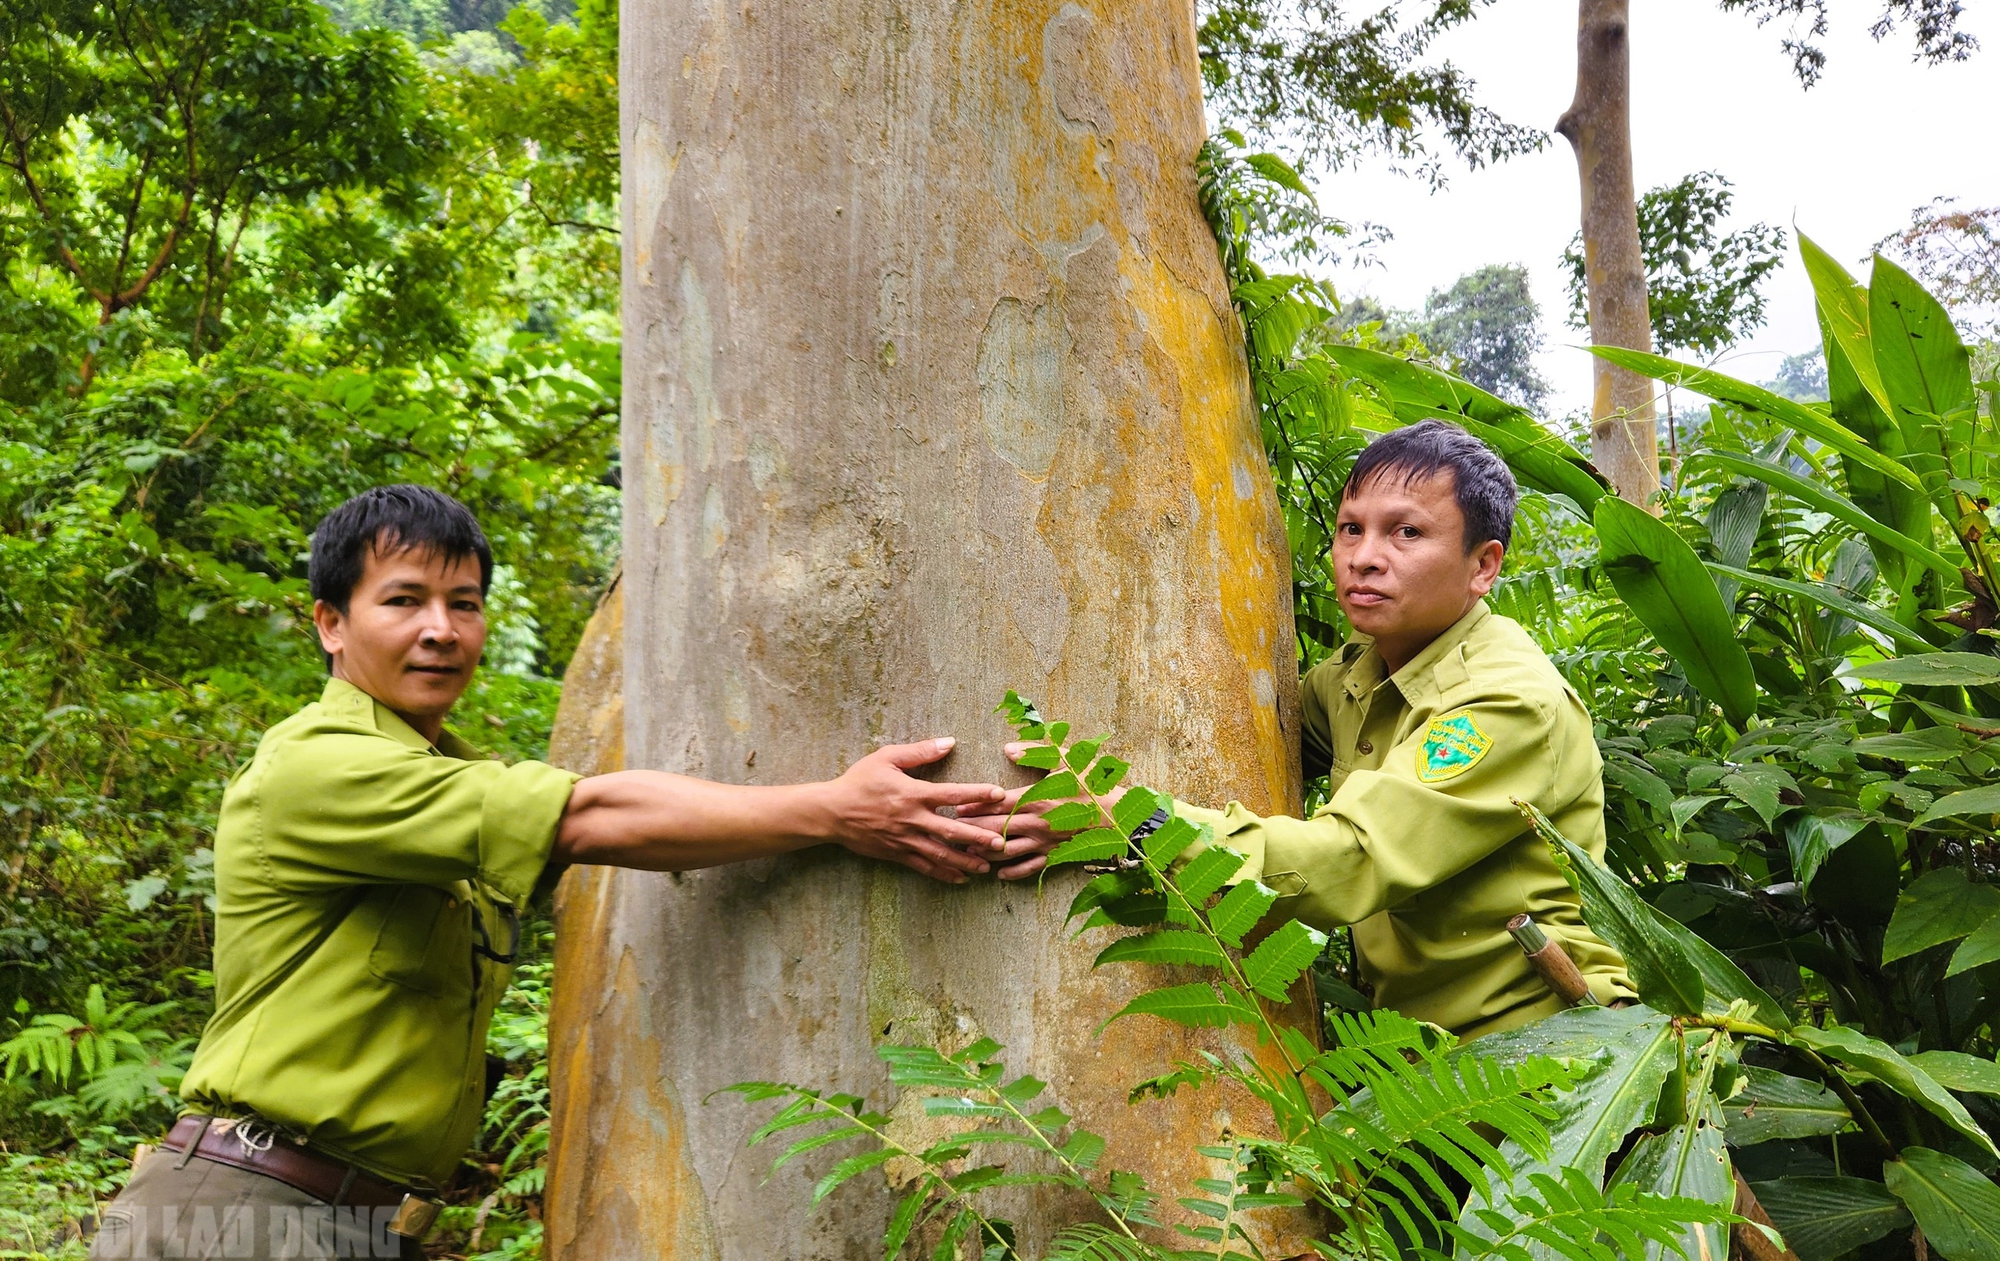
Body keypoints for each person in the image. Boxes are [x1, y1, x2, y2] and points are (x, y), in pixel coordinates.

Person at [92, 485, 1011, 1260]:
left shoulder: (443, 777)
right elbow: (587, 816)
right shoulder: (318, 763)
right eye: (404, 600)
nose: (442, 630)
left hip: (350, 1220)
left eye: (465, 602)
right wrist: (836, 810)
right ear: (331, 623)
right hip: (242, 1213)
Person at [972, 420, 1633, 1039]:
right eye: (1351, 528)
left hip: (1550, 1057)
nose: (1364, 557)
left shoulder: (1507, 701)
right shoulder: (1361, 673)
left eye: (1406, 533)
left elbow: (1351, 858)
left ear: (1483, 565)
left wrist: (1139, 823)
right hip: (1422, 1063)